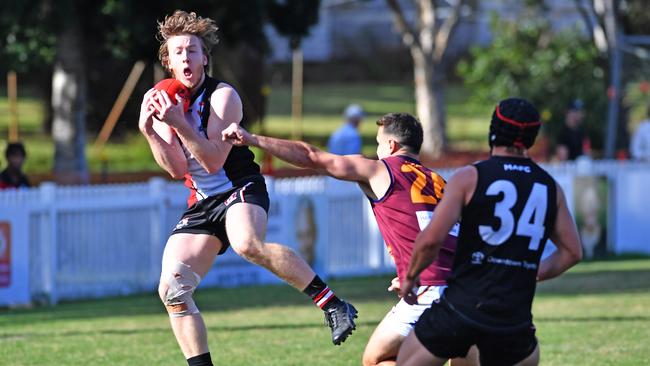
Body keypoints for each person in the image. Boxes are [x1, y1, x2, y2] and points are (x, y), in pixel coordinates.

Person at [139, 10, 357, 366]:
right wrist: (151, 131)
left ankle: (333, 304)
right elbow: (178, 168)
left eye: (192, 50)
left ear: (205, 58)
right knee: (172, 289)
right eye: (177, 52)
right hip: (203, 200)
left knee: (246, 244)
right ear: (169, 63)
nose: (185, 57)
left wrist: (179, 123)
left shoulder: (224, 97)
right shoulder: (161, 100)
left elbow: (211, 161)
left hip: (239, 186)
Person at [222, 113, 477, 366]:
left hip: (430, 287)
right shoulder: (438, 182)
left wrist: (253, 139)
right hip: (467, 287)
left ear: (391, 145)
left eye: (378, 143)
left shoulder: (381, 170)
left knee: (376, 359)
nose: (376, 151)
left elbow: (313, 157)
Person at [395, 98, 583, 366]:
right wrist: (530, 272)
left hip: (461, 309)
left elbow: (430, 240)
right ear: (531, 136)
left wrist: (411, 276)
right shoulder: (550, 188)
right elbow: (572, 252)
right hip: (513, 320)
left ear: (493, 130)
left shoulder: (470, 177)